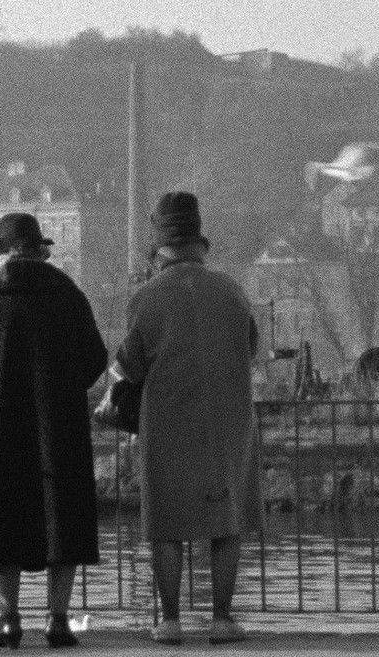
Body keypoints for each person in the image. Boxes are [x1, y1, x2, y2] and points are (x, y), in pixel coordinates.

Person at [0, 212, 109, 649]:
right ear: (41, 250)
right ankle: (58, 621)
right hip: (60, 427)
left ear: (1, 254)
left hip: (0, 430)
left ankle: (8, 620)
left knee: (5, 519)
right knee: (63, 520)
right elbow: (95, 358)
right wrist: (63, 386)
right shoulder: (68, 295)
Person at [114, 192, 263, 645]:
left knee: (166, 520)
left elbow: (132, 365)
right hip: (228, 419)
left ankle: (171, 620)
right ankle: (222, 619)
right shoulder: (231, 289)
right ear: (200, 239)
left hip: (167, 421)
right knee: (227, 516)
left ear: (158, 247)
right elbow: (250, 347)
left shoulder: (146, 297)